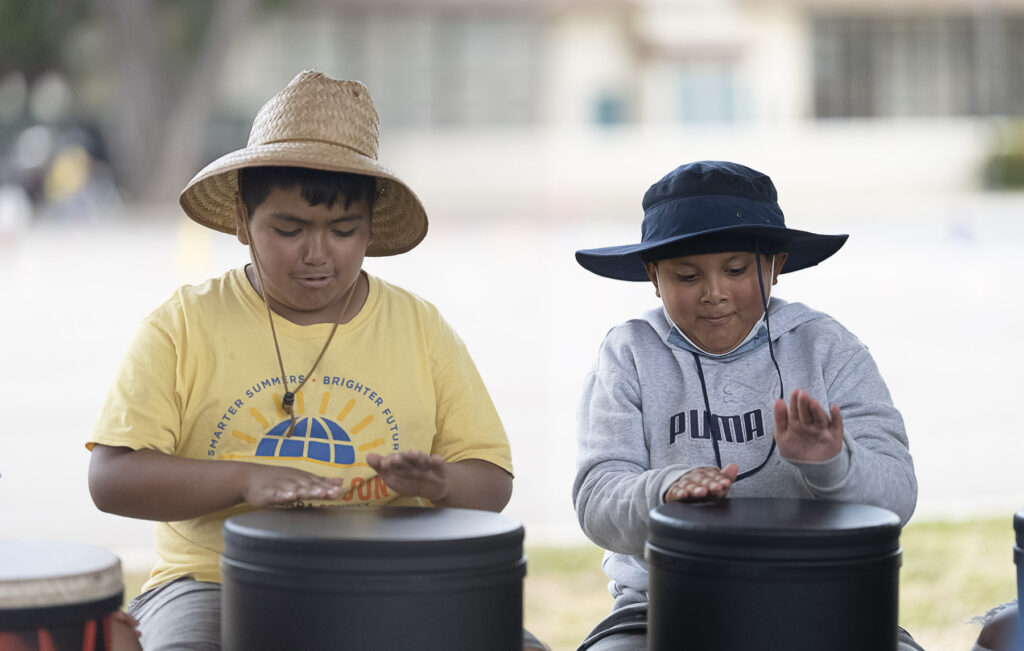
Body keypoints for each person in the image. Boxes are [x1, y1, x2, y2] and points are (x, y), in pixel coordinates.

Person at [87, 71, 547, 651]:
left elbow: (490, 484)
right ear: (240, 222)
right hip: (213, 580)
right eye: (288, 228)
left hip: (389, 576)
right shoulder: (182, 324)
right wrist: (243, 477)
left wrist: (439, 482)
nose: (316, 254)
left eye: (343, 230)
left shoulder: (420, 328)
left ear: (370, 228)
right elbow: (111, 480)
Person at [571, 160, 924, 650]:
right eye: (687, 275)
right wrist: (667, 489)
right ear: (653, 276)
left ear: (775, 265)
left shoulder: (827, 348)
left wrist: (831, 462)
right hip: (662, 603)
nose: (714, 293)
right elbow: (596, 500)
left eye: (736, 270)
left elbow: (898, 497)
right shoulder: (629, 354)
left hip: (820, 591)